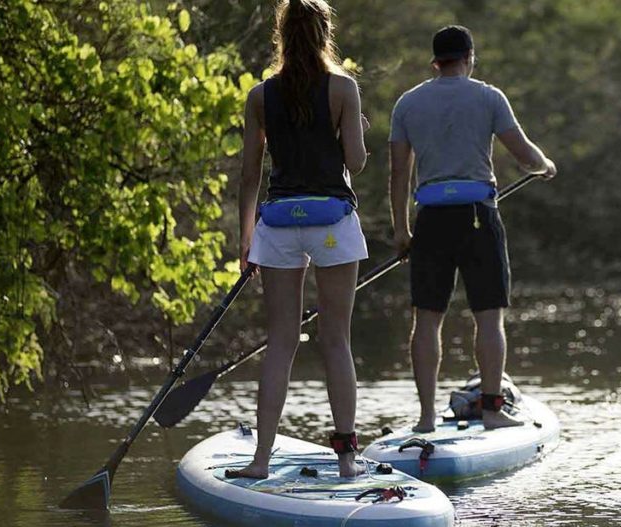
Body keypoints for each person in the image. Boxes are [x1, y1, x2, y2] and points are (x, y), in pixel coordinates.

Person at [388, 25, 557, 432]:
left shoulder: (407, 103)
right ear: (469, 58)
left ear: (435, 62)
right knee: (488, 318)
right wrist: (545, 165)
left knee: (426, 320)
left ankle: (427, 417)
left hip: (429, 219)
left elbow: (397, 176)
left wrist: (401, 231)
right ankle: (492, 411)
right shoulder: (488, 96)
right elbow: (524, 155)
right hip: (478, 216)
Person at [233, 0, 369, 478]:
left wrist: (245, 238)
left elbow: (250, 174)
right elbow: (356, 164)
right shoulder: (343, 89)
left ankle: (260, 459)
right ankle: (348, 459)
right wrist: (356, 128)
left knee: (281, 341)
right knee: (336, 339)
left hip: (278, 225)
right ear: (324, 33)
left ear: (282, 35)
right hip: (331, 221)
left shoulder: (258, 96)